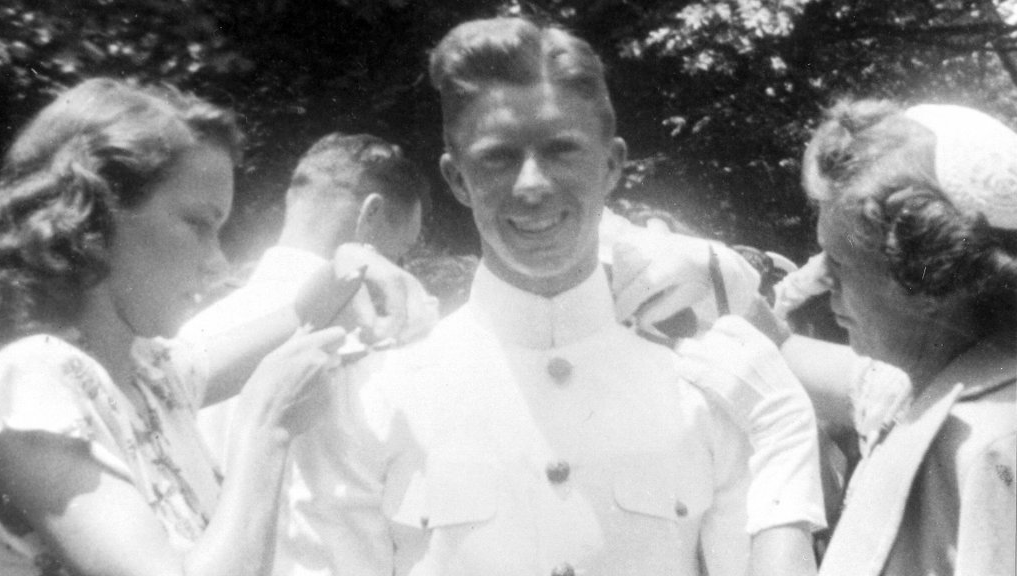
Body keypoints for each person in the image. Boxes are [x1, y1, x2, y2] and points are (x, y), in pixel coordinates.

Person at [308, 17, 823, 576]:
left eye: (561, 150)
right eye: (498, 157)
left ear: (612, 165)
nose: (532, 184)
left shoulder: (709, 385)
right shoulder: (376, 393)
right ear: (457, 180)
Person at [620, 100, 1017, 576]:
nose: (821, 278)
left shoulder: (995, 452)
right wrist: (718, 277)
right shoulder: (941, 382)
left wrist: (782, 434)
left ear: (929, 281)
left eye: (841, 263)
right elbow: (785, 350)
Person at [0, 78, 349, 576]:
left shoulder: (149, 373)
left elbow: (301, 316)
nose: (218, 264)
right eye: (199, 224)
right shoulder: (32, 379)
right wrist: (267, 427)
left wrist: (356, 272)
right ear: (94, 216)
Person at [188, 132, 431, 462]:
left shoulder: (188, 335)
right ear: (370, 215)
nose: (399, 268)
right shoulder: (379, 350)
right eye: (401, 252)